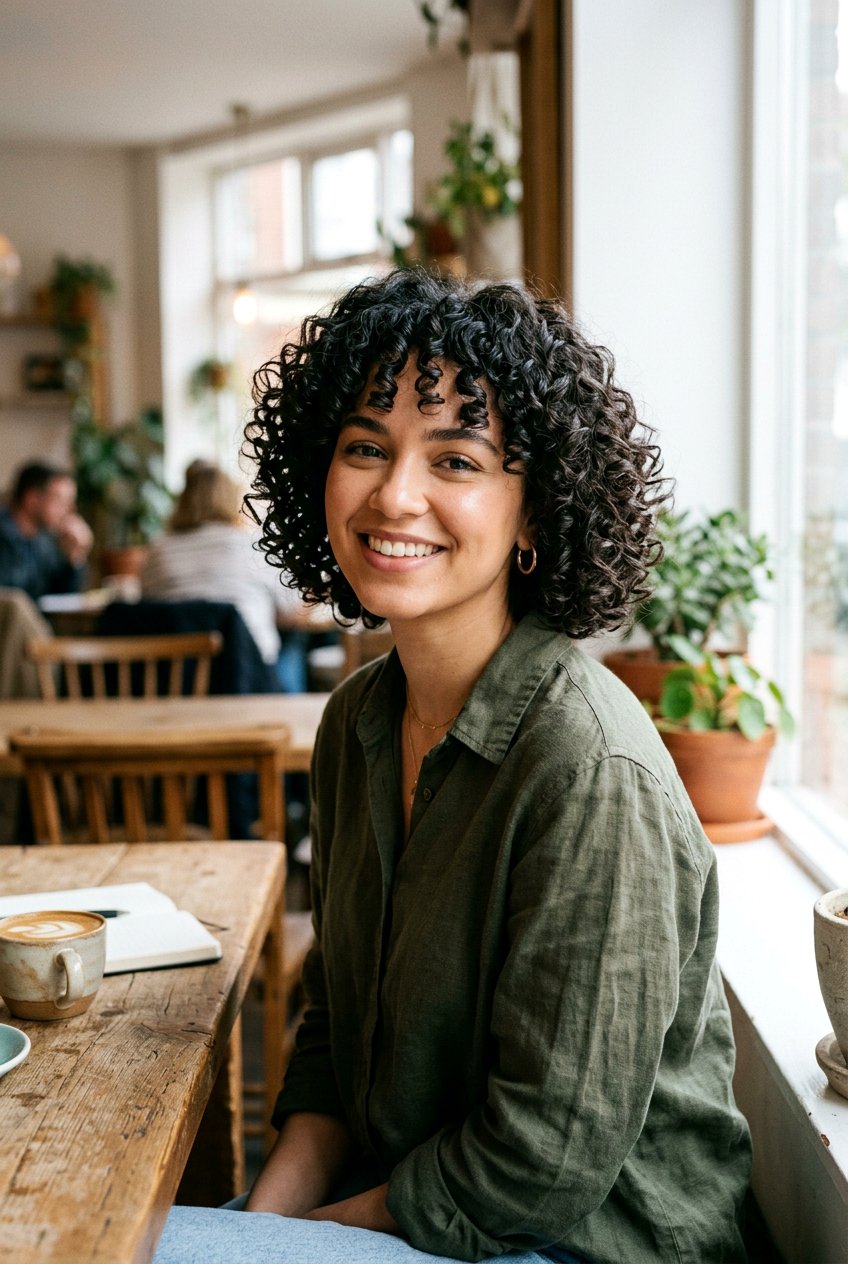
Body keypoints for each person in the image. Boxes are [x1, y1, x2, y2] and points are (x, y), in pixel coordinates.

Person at [154, 270, 752, 1264]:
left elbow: (539, 1163)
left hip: (576, 1244)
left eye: (456, 458)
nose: (394, 494)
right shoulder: (355, 722)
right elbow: (336, 1037)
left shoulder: (584, 767)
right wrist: (261, 1229)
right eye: (362, 447)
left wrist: (268, 1246)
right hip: (411, 1208)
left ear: (533, 512)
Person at [140, 460, 309, 684]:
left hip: (176, 679)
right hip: (247, 674)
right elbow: (293, 613)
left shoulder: (158, 550)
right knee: (293, 641)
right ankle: (289, 710)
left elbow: (148, 603)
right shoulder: (252, 546)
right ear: (232, 499)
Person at [0, 461, 93, 601]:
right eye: (61, 501)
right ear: (32, 499)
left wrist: (74, 556)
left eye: (70, 502)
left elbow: (60, 600)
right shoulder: (4, 535)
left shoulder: (44, 542)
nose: (70, 510)